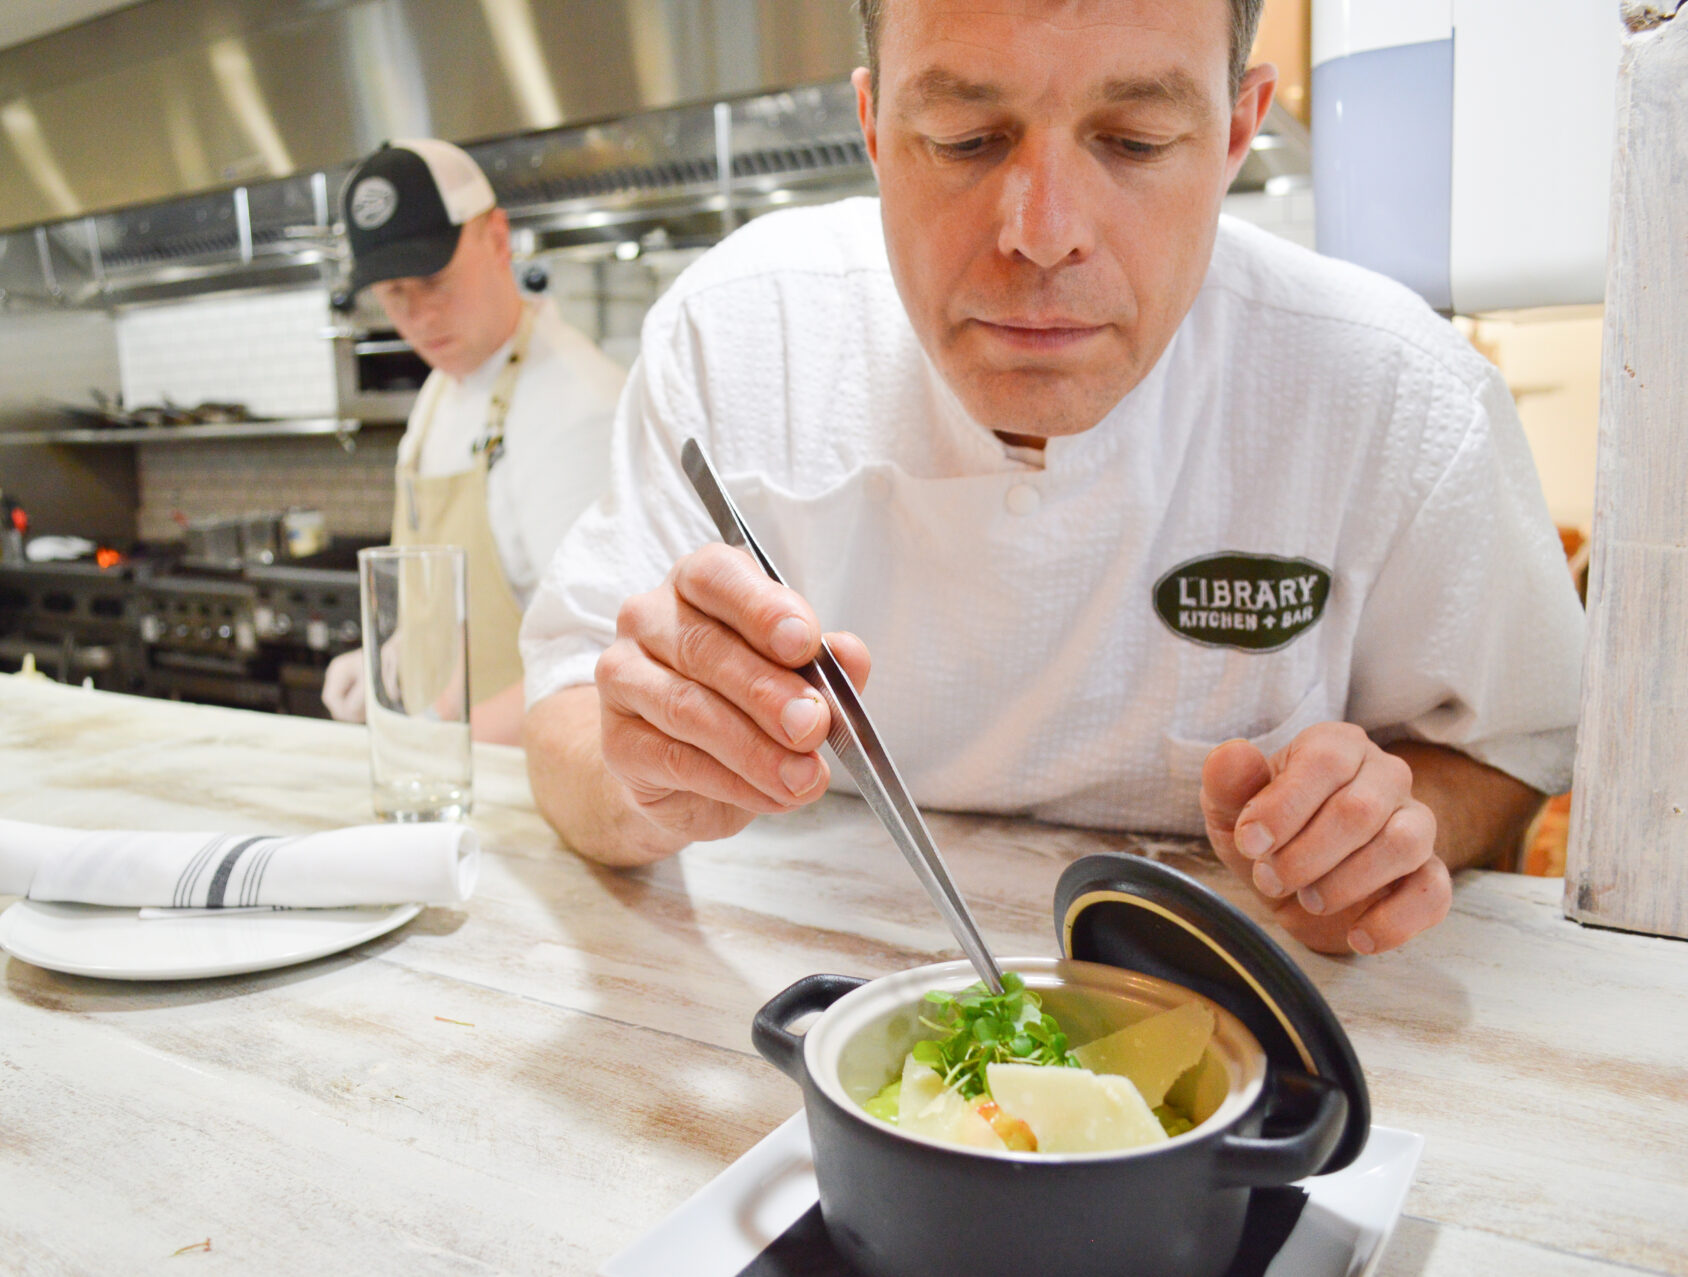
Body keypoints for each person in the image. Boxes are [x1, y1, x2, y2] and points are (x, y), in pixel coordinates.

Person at [518, 0, 1586, 958]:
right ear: (874, 130)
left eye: (1135, 141)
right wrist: (647, 771)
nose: (1042, 234)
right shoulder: (741, 337)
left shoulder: (1399, 396)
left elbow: (1506, 749)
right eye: (965, 140)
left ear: (1231, 133)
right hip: (802, 988)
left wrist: (1385, 826)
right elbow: (567, 718)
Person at [319, 141, 626, 743]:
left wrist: (445, 743)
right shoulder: (442, 390)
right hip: (448, 776)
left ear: (496, 238)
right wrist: (392, 663)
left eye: (434, 279)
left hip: (536, 787)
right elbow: (447, 599)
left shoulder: (578, 409)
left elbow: (608, 659)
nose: (419, 318)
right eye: (392, 292)